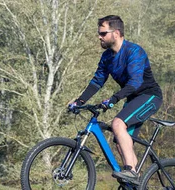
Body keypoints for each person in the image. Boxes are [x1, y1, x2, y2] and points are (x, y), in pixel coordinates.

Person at [68, 15, 163, 185]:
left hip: (149, 96)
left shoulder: (134, 52)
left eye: (103, 33)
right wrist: (79, 102)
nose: (99, 37)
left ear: (116, 33)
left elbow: (135, 82)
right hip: (133, 98)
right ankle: (135, 184)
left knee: (117, 124)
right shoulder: (107, 57)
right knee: (120, 142)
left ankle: (131, 172)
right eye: (99, 33)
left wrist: (113, 99)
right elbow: (97, 81)